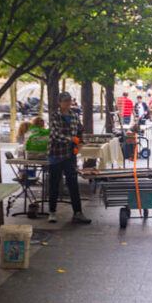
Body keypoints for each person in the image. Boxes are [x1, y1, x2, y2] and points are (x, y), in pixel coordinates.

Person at [48, 92, 91, 224]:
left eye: (69, 101)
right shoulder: (55, 116)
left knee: (73, 184)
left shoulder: (74, 115)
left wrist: (81, 141)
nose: (67, 103)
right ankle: (52, 212)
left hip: (70, 155)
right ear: (59, 102)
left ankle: (78, 213)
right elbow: (55, 134)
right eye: (64, 101)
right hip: (56, 154)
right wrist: (71, 139)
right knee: (54, 184)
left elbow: (80, 129)